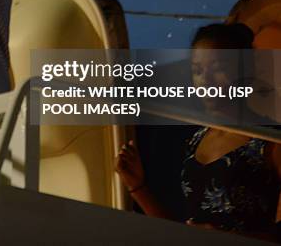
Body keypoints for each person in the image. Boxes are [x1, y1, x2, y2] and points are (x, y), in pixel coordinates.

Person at [115, 23, 281, 241]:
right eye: (197, 70)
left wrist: (231, 239)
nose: (206, 80)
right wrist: (138, 186)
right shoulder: (196, 140)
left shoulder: (270, 140)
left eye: (219, 68)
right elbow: (183, 233)